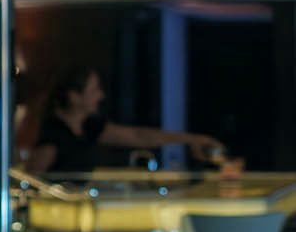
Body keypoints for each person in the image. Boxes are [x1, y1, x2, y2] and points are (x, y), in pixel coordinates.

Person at [26, 64, 224, 176]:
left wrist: (193, 139)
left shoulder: (89, 126)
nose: (100, 96)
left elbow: (138, 136)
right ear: (74, 97)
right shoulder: (53, 137)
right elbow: (32, 182)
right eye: (94, 90)